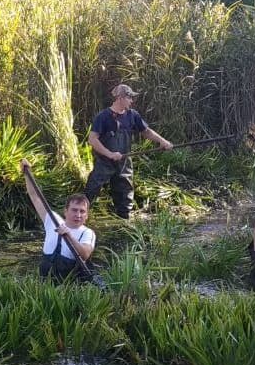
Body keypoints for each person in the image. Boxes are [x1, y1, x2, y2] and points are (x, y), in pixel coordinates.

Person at [86, 84, 173, 219]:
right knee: (92, 188)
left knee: (125, 193)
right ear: (120, 98)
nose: (132, 101)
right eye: (130, 98)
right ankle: (78, 216)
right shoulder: (103, 116)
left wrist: (162, 141)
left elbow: (146, 131)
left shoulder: (132, 115)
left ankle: (124, 220)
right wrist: (110, 154)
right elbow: (92, 139)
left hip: (124, 162)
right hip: (104, 162)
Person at [23, 162, 96, 281]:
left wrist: (69, 236)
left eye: (82, 211)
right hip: (45, 282)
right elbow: (34, 197)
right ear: (65, 211)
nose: (78, 215)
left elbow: (85, 254)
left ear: (87, 215)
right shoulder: (53, 220)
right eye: (74, 210)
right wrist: (27, 173)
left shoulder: (88, 233)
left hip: (70, 284)